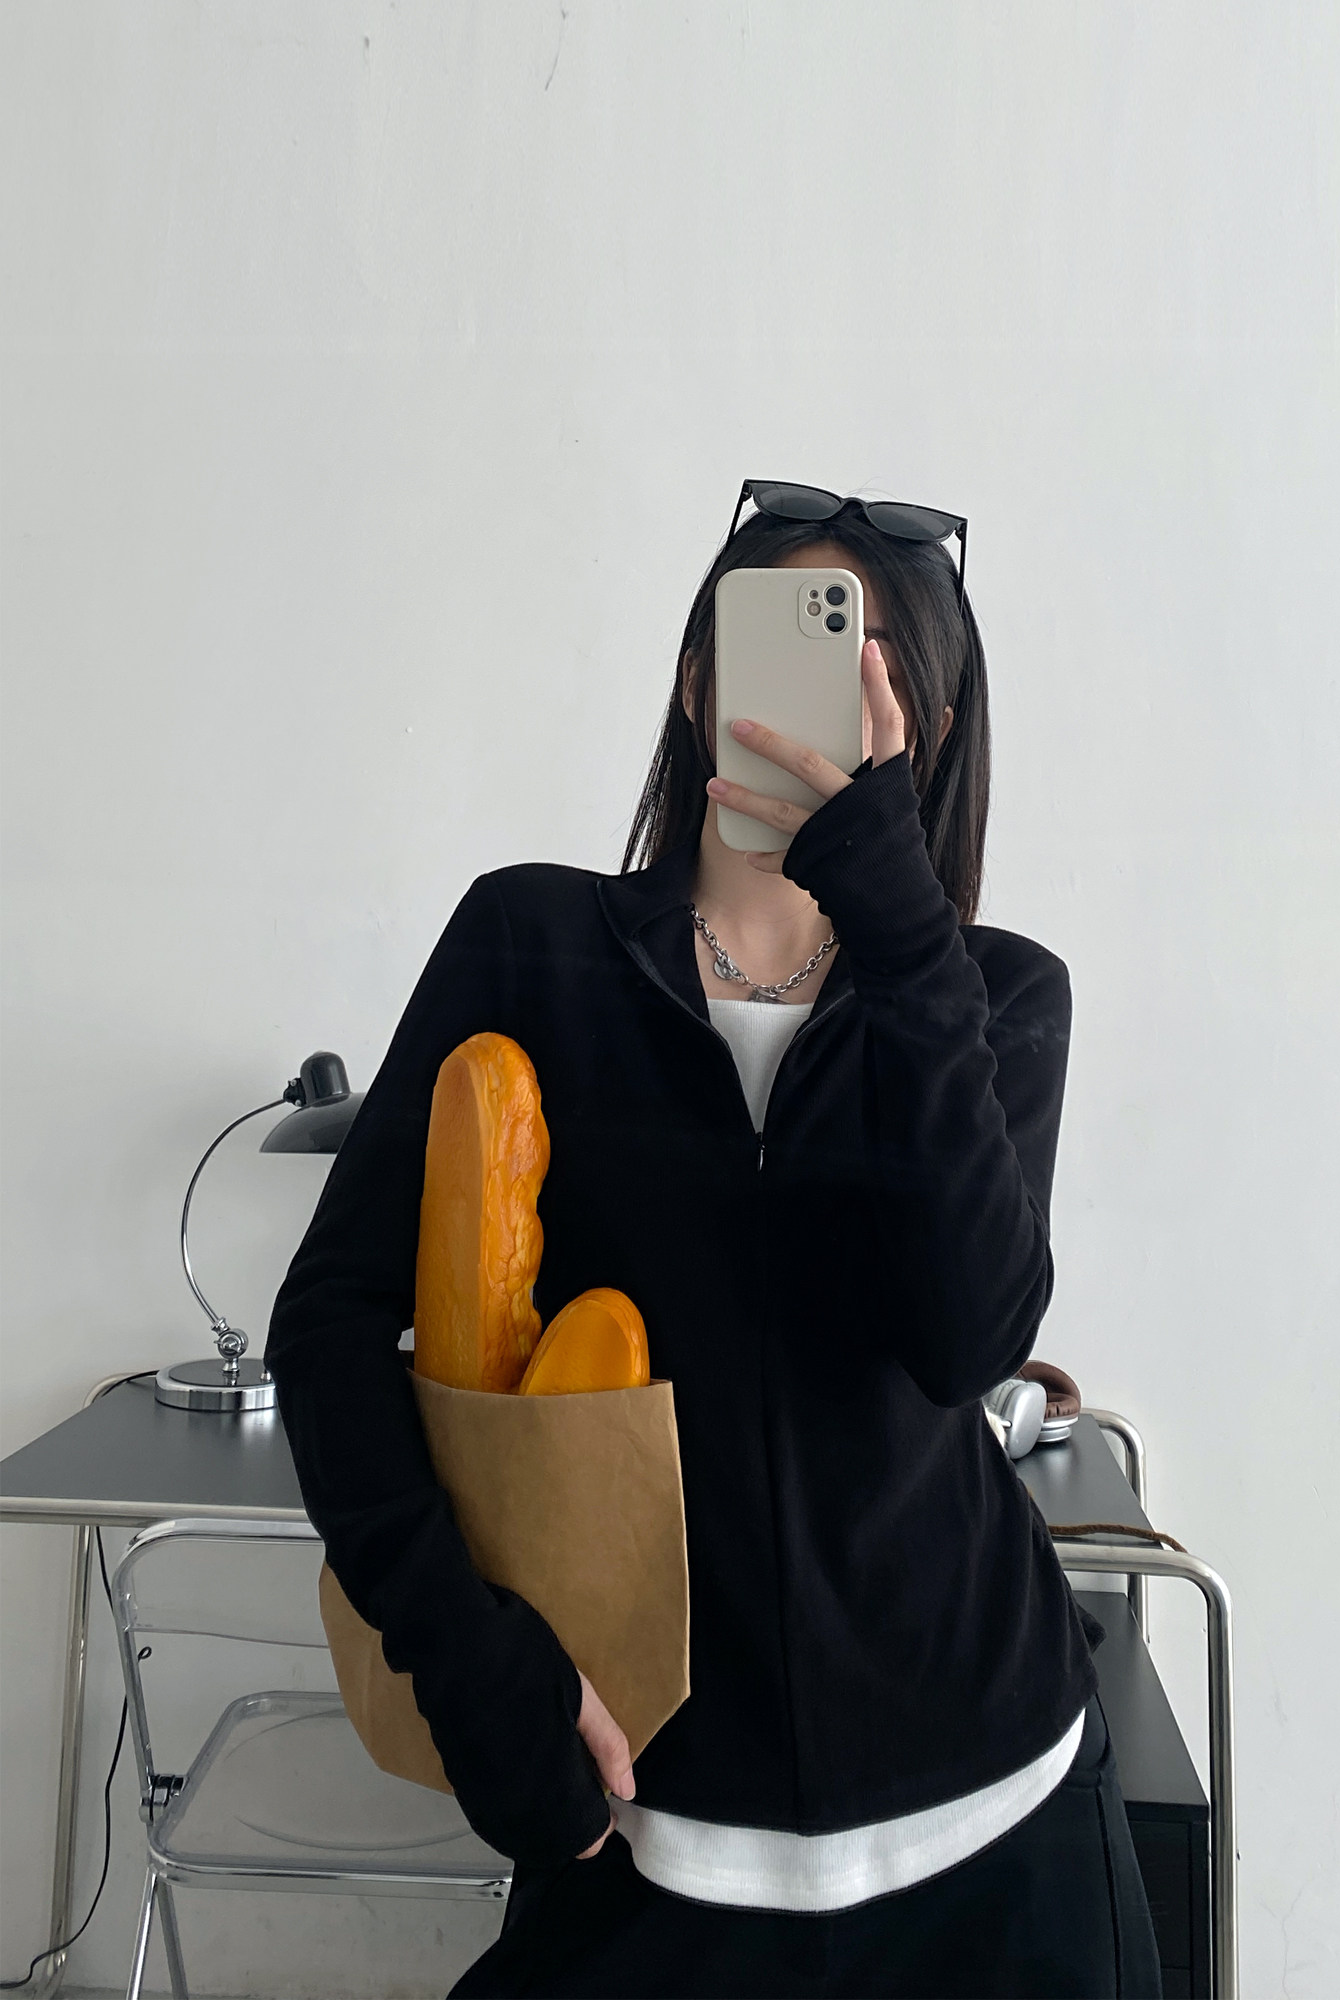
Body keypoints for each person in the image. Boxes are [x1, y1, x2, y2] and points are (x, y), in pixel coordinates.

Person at [265, 483, 1163, 1998]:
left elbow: (966, 1335)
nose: (816, 713)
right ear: (697, 687)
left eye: (873, 678)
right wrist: (467, 1660)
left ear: (925, 733)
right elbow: (331, 1323)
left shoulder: (994, 993)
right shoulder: (530, 942)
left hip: (1000, 1831)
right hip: (647, 1837)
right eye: (782, 660)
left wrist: (898, 925)